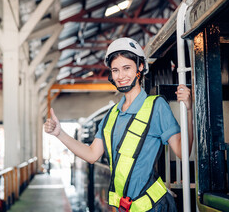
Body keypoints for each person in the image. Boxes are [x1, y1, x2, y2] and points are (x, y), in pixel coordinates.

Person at [44, 37, 193, 212]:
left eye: (126, 68)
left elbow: (183, 152)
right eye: (115, 70)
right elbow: (91, 154)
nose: (121, 76)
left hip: (155, 207)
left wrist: (189, 110)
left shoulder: (156, 106)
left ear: (140, 67)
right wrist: (60, 134)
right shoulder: (112, 115)